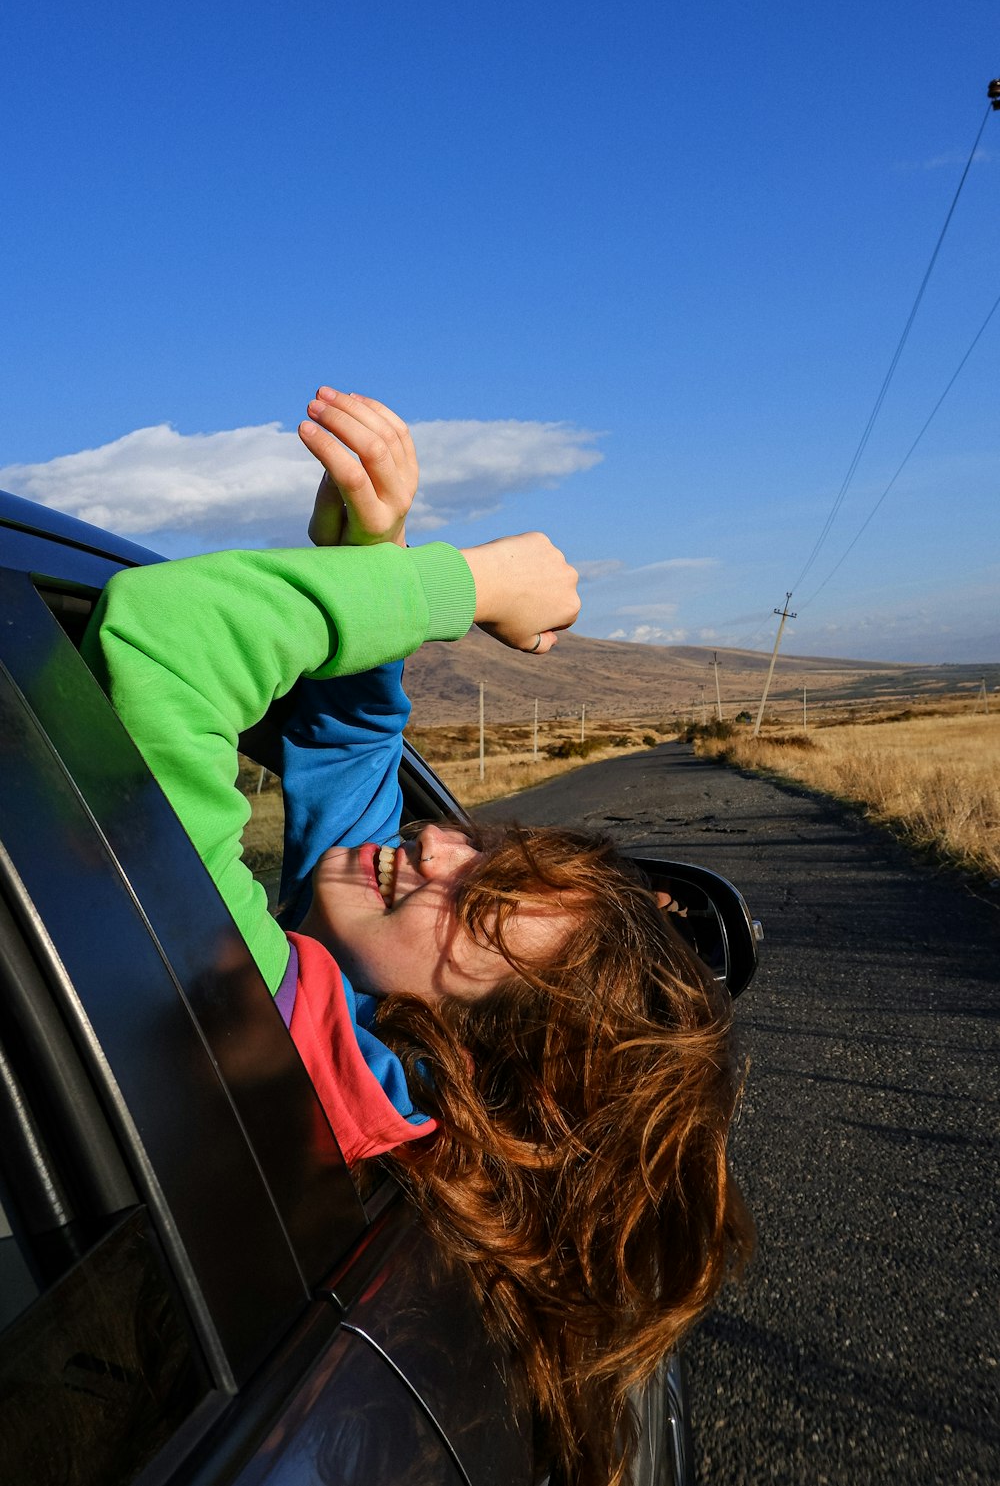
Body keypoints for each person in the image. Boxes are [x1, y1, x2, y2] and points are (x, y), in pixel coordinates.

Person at [82, 388, 752, 1486]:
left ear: (477, 1064)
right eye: (484, 851)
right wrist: (369, 540)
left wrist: (471, 580)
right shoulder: (369, 1050)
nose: (433, 846)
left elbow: (166, 638)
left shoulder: (294, 1054)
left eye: (476, 907)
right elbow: (352, 756)